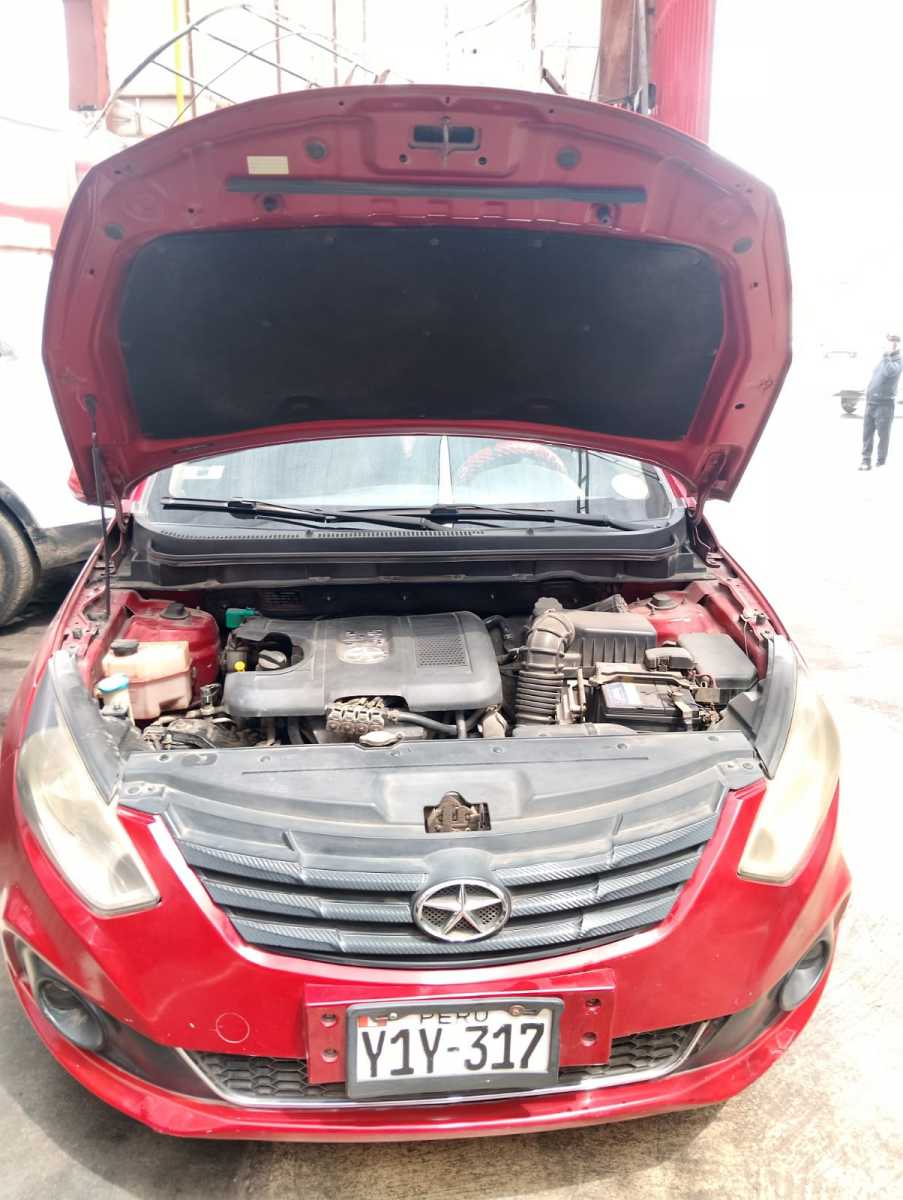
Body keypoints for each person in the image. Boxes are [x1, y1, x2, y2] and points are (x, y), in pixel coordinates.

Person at [860, 334, 902, 469]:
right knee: (867, 434)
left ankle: (880, 462)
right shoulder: (884, 359)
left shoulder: (898, 360)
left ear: (897, 345)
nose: (889, 344)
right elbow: (876, 376)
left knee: (883, 435)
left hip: (884, 404)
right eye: (889, 341)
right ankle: (865, 461)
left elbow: (889, 372)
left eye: (893, 341)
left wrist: (887, 355)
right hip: (871, 402)